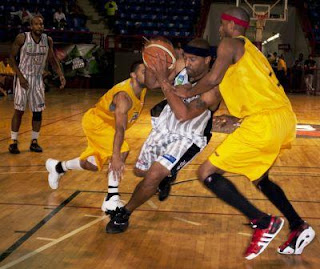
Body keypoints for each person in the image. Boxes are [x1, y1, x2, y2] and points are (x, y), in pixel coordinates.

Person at [147, 7, 315, 260]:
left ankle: (262, 222)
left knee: (206, 173)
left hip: (265, 121)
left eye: (223, 23)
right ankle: (298, 226)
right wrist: (238, 117)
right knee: (261, 178)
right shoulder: (250, 52)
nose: (219, 28)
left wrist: (185, 91)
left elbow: (213, 79)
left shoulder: (229, 43)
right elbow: (255, 89)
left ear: (230, 23)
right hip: (282, 118)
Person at [106, 38, 221, 233]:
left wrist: (164, 80)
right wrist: (151, 60)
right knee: (140, 172)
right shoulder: (181, 66)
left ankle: (123, 214)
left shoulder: (214, 89)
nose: (188, 62)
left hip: (189, 137)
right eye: (186, 58)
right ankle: (166, 179)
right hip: (164, 128)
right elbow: (151, 84)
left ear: (208, 59)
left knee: (153, 176)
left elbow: (183, 114)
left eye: (193, 59)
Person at [45, 61, 147, 213]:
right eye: (144, 71)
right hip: (97, 123)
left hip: (105, 125)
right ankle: (111, 198)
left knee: (91, 165)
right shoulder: (124, 96)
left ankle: (58, 167)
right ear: (133, 75)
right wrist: (116, 155)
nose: (149, 75)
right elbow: (120, 128)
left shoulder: (142, 87)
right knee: (121, 150)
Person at [8, 15, 65, 154]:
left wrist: (61, 74)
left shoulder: (48, 40)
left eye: (41, 24)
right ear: (31, 26)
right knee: (19, 111)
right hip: (23, 78)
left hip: (38, 79)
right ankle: (13, 141)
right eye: (36, 24)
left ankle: (34, 141)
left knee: (38, 112)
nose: (40, 26)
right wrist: (20, 77)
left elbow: (52, 59)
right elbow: (11, 58)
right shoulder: (22, 38)